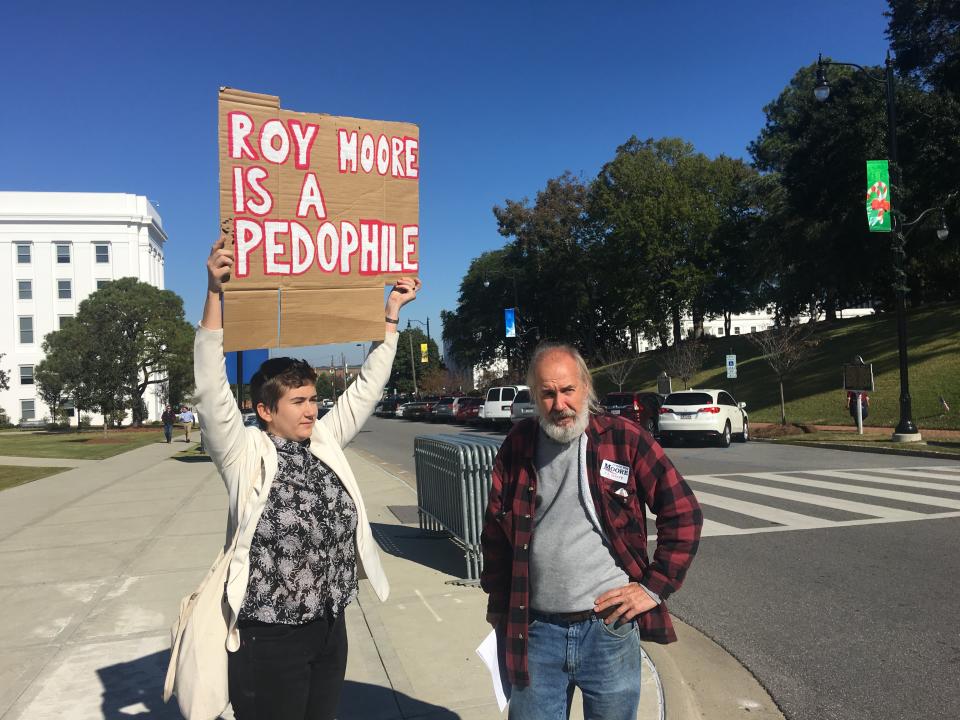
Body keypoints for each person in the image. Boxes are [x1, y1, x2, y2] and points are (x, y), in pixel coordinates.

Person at [195, 234, 420, 720]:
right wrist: (215, 293)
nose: (311, 410)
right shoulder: (243, 452)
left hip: (329, 626)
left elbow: (364, 391)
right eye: (297, 402)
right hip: (269, 636)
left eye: (313, 399)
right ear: (263, 409)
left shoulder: (323, 441)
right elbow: (211, 390)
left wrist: (390, 316)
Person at [480, 342, 702, 720]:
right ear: (535, 396)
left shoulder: (623, 439)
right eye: (547, 393)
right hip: (536, 631)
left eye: (568, 390)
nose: (559, 404)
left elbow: (683, 513)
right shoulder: (518, 445)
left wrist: (652, 588)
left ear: (585, 387)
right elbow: (496, 537)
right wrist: (499, 606)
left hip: (608, 632)